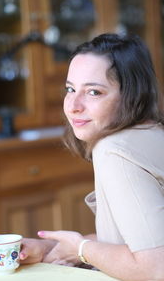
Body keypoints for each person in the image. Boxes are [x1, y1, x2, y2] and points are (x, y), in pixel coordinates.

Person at [19, 33, 164, 281]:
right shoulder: (154, 133)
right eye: (70, 89)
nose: (73, 105)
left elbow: (156, 268)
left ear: (131, 94)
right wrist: (59, 248)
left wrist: (81, 249)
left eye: (94, 92)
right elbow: (140, 238)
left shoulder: (114, 150)